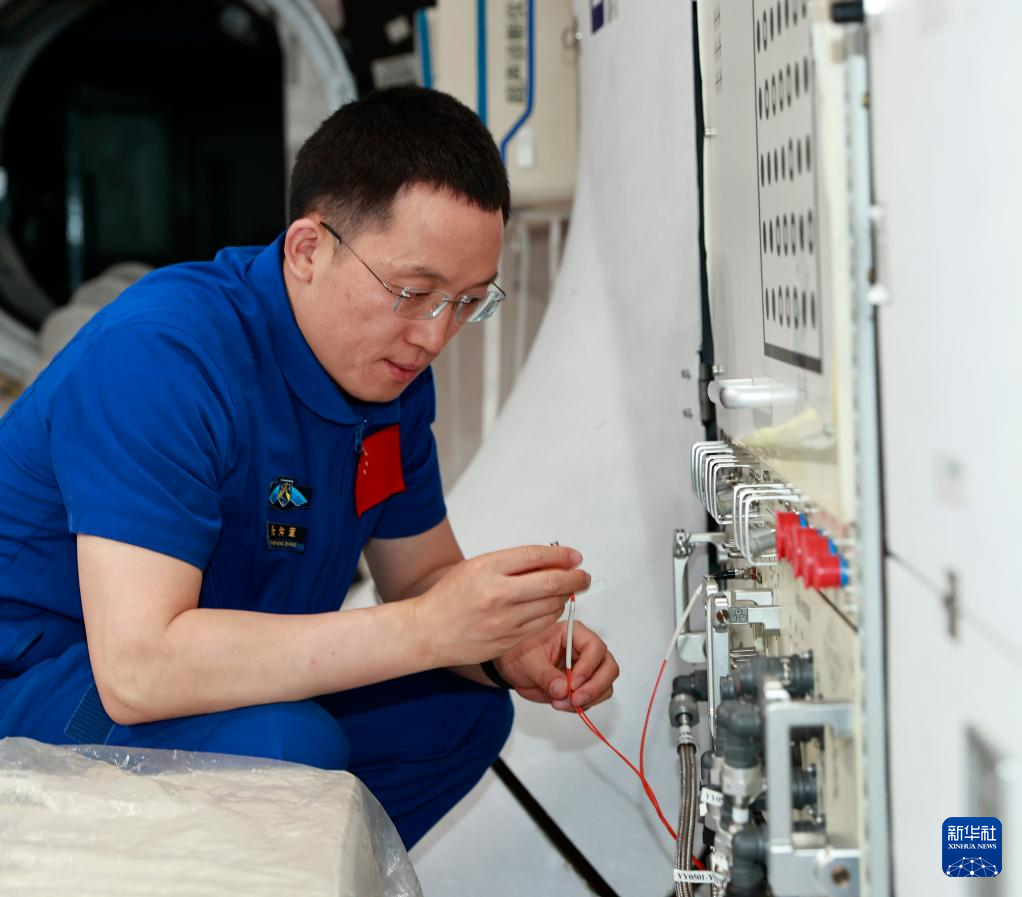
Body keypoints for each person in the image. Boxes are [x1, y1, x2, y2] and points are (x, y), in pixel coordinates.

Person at [0, 86, 619, 848]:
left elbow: (420, 578)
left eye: (467, 302)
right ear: (306, 251)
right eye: (414, 292)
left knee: (462, 714)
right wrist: (429, 630)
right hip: (45, 675)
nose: (434, 337)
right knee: (289, 748)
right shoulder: (165, 356)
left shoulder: (389, 381)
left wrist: (500, 643)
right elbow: (139, 670)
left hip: (211, 675)